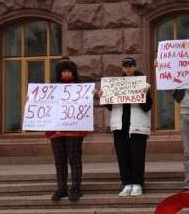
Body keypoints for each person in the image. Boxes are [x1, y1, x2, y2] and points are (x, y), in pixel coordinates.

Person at [99, 57, 152, 197]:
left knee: (137, 156)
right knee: (122, 156)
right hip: (119, 126)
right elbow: (111, 106)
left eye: (130, 65)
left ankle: (138, 183)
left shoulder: (143, 84)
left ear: (135, 67)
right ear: (122, 68)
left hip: (137, 126)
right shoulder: (116, 85)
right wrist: (103, 97)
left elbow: (147, 107)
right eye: (125, 66)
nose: (128, 68)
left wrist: (142, 95)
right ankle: (127, 183)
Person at [46, 58, 87, 201]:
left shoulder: (81, 88)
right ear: (59, 73)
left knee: (74, 158)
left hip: (74, 129)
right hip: (56, 130)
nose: (66, 74)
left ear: (73, 72)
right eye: (64, 71)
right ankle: (61, 188)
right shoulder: (51, 89)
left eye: (69, 71)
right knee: (59, 159)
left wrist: (92, 94)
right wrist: (32, 98)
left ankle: (75, 188)